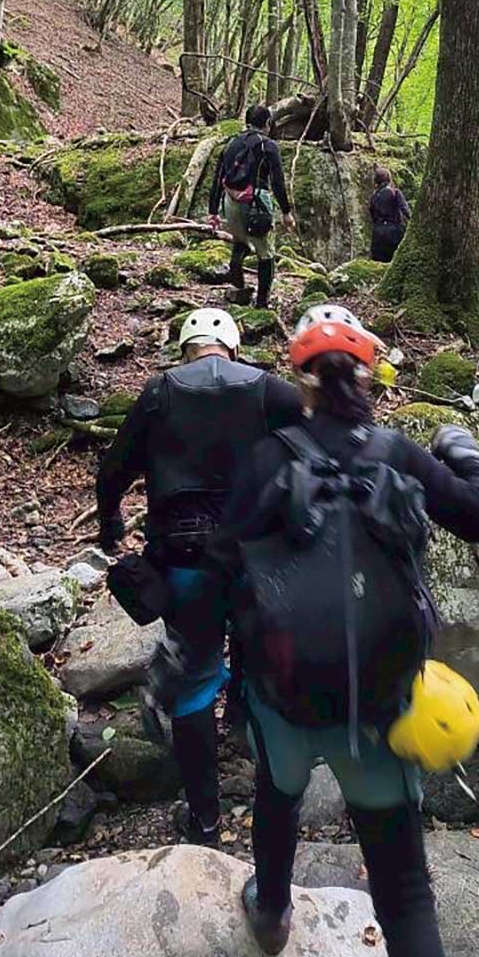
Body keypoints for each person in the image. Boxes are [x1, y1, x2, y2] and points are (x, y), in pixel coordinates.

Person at [216, 306, 479, 957]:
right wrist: (463, 454)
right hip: (379, 710)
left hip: (284, 696)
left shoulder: (269, 457)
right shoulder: (399, 453)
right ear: (370, 375)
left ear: (298, 376)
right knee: (404, 892)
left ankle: (270, 905)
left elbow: (218, 563)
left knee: (277, 794)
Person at [95, 306, 304, 844]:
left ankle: (205, 820)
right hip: (260, 560)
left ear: (185, 349)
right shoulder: (270, 390)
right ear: (232, 346)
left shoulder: (160, 393)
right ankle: (274, 809)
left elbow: (114, 468)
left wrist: (110, 522)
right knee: (263, 675)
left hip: (186, 561)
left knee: (193, 685)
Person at [208, 104, 295, 308]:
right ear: (267, 124)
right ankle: (262, 303)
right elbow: (277, 182)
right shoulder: (268, 145)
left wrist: (213, 212)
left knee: (240, 242)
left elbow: (218, 178)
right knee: (266, 253)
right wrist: (286, 212)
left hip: (230, 202)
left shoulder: (231, 143)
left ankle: (239, 287)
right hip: (256, 202)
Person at [369, 164, 410, 262]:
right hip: (394, 231)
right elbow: (405, 210)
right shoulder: (395, 192)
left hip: (378, 234)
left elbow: (372, 214)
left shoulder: (373, 197)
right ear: (389, 179)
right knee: (395, 260)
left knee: (379, 263)